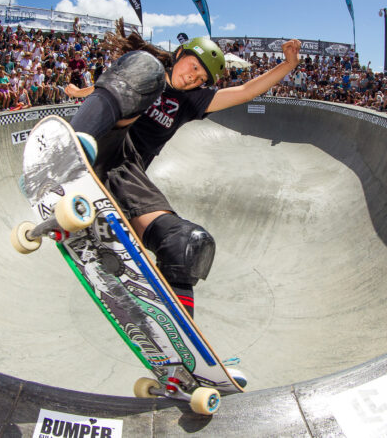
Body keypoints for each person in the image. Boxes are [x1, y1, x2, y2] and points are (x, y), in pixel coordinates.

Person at [66, 20, 301, 318]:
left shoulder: (191, 101)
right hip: (100, 143)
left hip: (126, 175)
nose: (193, 77)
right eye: (192, 66)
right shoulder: (144, 70)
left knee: (187, 245)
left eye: (200, 77)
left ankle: (182, 342)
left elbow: (246, 91)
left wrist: (288, 65)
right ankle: (71, 156)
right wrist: (81, 94)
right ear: (179, 54)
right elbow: (113, 88)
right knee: (145, 69)